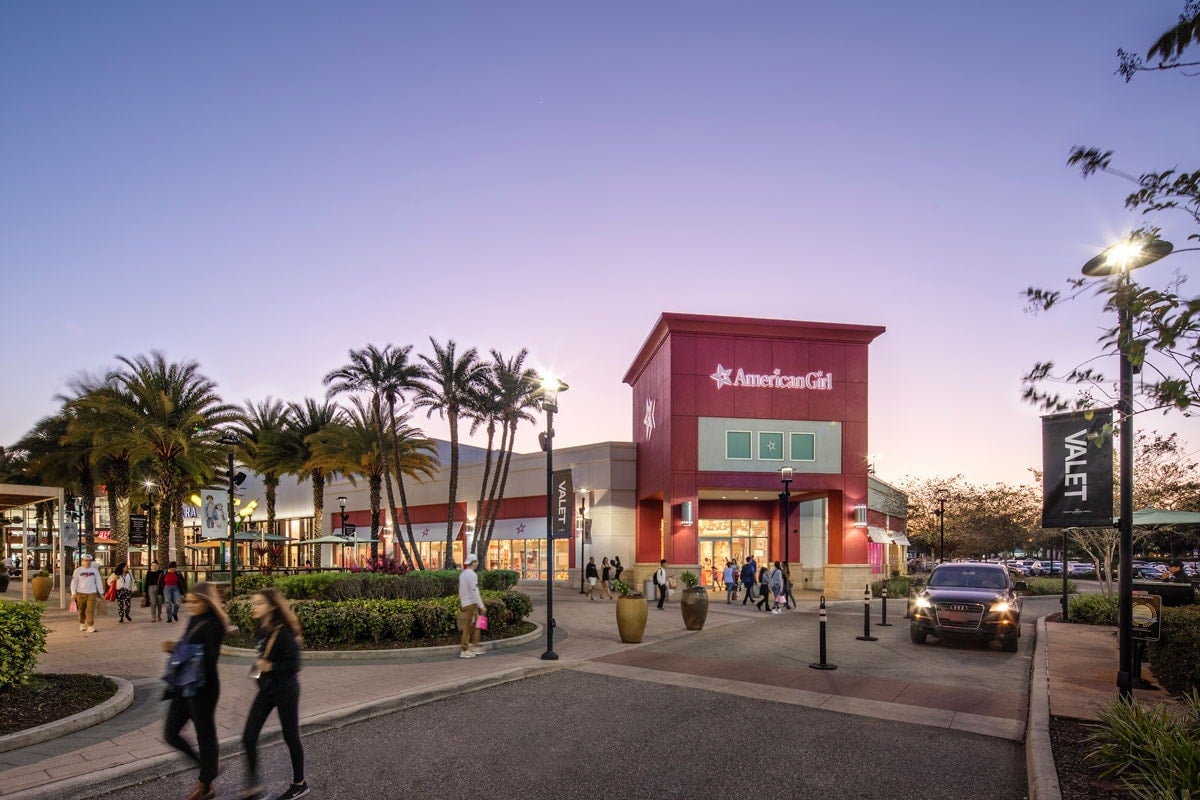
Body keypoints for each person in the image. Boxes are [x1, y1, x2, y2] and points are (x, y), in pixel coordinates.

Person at [240, 588, 308, 800]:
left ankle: (300, 784)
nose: (254, 606)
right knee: (248, 737)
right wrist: (259, 672)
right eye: (254, 602)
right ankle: (253, 787)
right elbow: (261, 656)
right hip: (267, 690)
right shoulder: (262, 627)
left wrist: (270, 667)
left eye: (259, 603)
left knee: (290, 736)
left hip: (286, 690)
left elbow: (294, 665)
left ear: (271, 606)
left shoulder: (284, 632)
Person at [162, 582, 227, 800]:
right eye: (188, 601)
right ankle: (207, 768)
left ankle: (205, 783)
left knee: (205, 735)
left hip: (204, 687)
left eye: (195, 601)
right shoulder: (194, 619)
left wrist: (177, 648)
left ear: (207, 602)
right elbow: (186, 644)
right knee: (171, 733)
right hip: (183, 684)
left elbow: (209, 659)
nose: (190, 605)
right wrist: (178, 648)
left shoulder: (215, 624)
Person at [457, 554, 486, 658]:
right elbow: (475, 591)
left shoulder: (463, 574)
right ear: (472, 562)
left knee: (478, 624)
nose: (477, 563)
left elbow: (460, 590)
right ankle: (464, 650)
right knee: (468, 628)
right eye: (476, 561)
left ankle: (475, 645)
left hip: (465, 603)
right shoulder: (472, 575)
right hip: (471, 604)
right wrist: (481, 606)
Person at [70, 553, 105, 633]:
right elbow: (74, 582)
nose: (88, 562)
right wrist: (73, 593)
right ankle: (82, 623)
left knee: (90, 610)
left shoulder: (94, 571)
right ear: (83, 561)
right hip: (80, 593)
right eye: (86, 560)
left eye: (90, 561)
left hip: (92, 593)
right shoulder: (78, 570)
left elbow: (98, 582)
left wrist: (101, 593)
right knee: (81, 609)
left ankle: (90, 626)